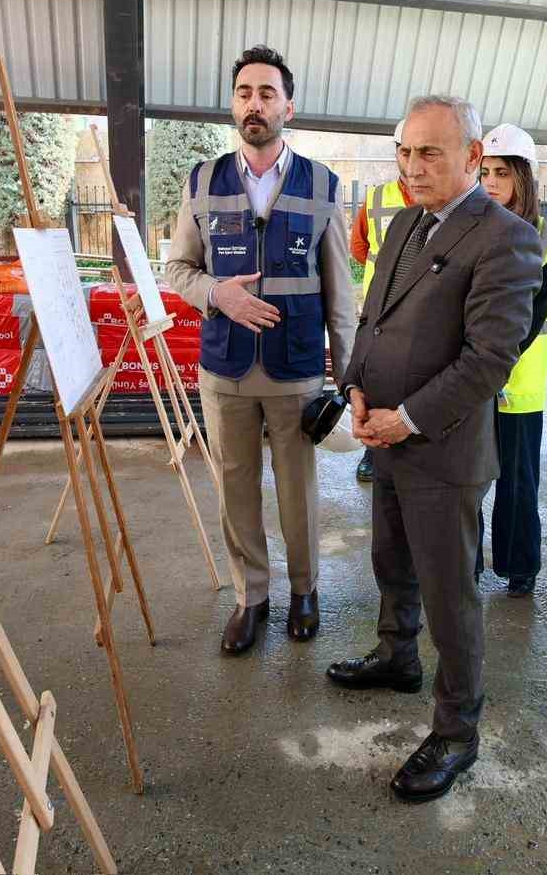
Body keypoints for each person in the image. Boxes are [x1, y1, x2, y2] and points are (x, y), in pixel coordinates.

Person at [326, 95, 541, 803]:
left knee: (452, 599)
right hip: (383, 434)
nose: (411, 167)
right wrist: (356, 388)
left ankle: (456, 731)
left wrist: (407, 418)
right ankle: (396, 656)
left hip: (440, 451)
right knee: (391, 561)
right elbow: (373, 318)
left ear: (473, 157)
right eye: (405, 152)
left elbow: (489, 360)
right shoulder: (405, 223)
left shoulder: (504, 237)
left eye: (429, 153)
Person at [164, 44, 356, 655]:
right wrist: (219, 292)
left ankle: (304, 591)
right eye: (245, 93)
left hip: (296, 369)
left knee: (298, 489)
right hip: (225, 370)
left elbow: (341, 295)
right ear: (232, 105)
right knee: (234, 487)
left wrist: (349, 383)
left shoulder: (323, 186)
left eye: (267, 93)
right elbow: (177, 270)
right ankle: (252, 597)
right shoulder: (202, 182)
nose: (255, 104)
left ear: (288, 107)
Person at [477, 123, 547, 598]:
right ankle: (466, 561)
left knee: (517, 482)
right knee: (467, 478)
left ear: (524, 179)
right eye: (486, 172)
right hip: (470, 380)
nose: (491, 182)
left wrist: (489, 364)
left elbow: (532, 314)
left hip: (518, 382)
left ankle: (520, 566)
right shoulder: (467, 226)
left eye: (503, 173)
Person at [349, 118, 415, 484]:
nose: (411, 161)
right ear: (396, 154)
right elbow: (360, 249)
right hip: (380, 312)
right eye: (404, 151)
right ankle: (372, 454)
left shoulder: (440, 196)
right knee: (375, 382)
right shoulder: (376, 199)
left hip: (420, 312)